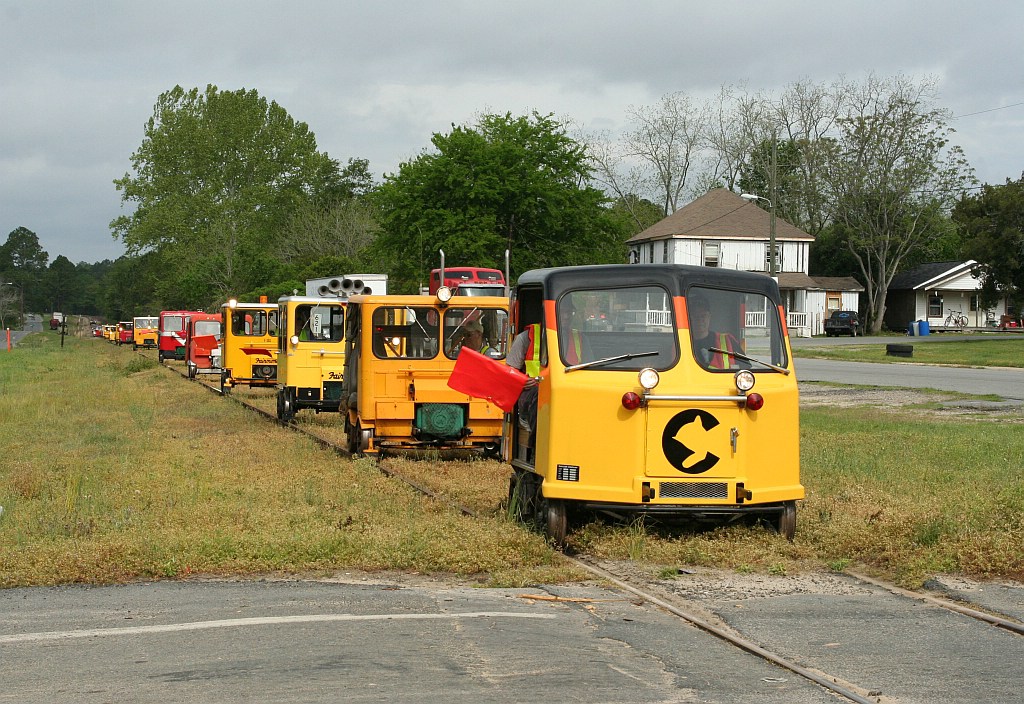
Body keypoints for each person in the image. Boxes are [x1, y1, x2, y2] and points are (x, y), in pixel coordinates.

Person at [688, 293, 742, 369]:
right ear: (688, 318)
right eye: (694, 316)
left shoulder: (728, 340)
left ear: (709, 316)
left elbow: (744, 369)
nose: (699, 320)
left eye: (703, 315)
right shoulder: (680, 344)